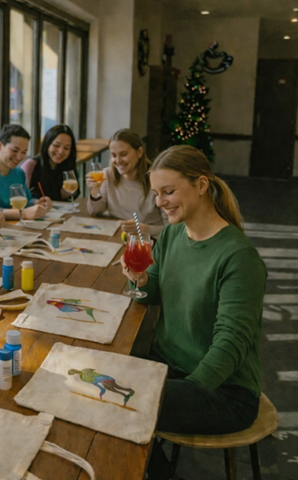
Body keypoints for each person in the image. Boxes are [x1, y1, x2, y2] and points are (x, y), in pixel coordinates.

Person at [120, 145, 267, 480]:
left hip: (223, 390)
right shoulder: (172, 233)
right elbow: (152, 292)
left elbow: (231, 344)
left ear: (201, 185)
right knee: (97, 382)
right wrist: (141, 280)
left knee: (122, 405)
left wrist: (184, 392)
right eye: (156, 193)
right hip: (171, 367)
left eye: (168, 192)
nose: (159, 202)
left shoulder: (238, 258)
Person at [87, 129, 168, 237]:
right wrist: (95, 189)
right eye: (114, 155)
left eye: (123, 154)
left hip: (150, 240)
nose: (118, 160)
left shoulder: (157, 179)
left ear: (139, 152)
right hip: (118, 237)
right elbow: (95, 211)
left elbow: (172, 229)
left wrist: (146, 229)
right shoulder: (107, 175)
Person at [0, 124, 52, 220]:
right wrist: (21, 214)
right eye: (15, 150)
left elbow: (27, 201)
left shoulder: (19, 173)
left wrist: (38, 202)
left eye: (24, 152)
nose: (19, 157)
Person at [21, 124, 79, 201]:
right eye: (56, 145)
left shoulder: (67, 164)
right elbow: (21, 196)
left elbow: (74, 193)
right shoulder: (30, 165)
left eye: (66, 148)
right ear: (47, 144)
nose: (61, 151)